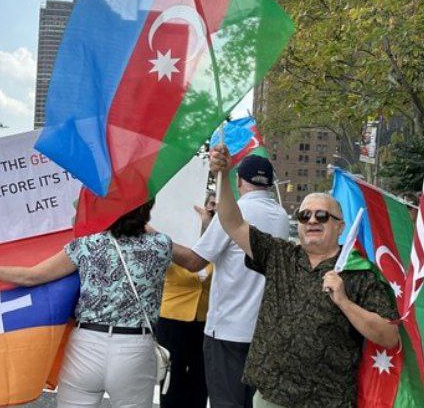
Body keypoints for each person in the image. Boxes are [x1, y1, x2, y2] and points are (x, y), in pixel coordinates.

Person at [208, 144, 399, 408]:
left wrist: (344, 302)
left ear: (340, 226)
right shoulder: (280, 255)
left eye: (322, 216)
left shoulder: (358, 271)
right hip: (271, 396)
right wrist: (223, 176)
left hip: (326, 401)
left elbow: (389, 335)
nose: (312, 221)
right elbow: (233, 223)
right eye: (304, 215)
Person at [0, 200, 172, 408]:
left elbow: (31, 276)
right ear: (147, 210)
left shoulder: (86, 244)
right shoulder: (162, 244)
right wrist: (136, 216)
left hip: (86, 344)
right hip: (135, 347)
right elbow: (176, 251)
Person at [172, 155, 290, 408]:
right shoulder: (281, 215)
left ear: (238, 181)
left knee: (226, 402)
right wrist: (209, 225)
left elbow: (195, 261)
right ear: (269, 183)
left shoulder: (236, 212)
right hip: (264, 331)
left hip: (227, 330)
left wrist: (158, 239)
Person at [156, 191, 215, 408]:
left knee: (200, 381)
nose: (212, 209)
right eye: (209, 204)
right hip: (172, 318)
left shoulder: (219, 240)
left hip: (206, 320)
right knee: (172, 380)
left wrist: (211, 228)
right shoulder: (174, 235)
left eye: (216, 206)